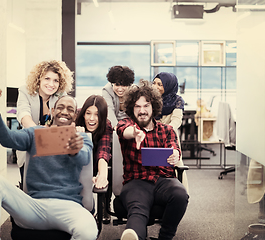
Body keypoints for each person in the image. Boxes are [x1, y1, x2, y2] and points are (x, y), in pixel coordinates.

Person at [0, 77, 97, 240]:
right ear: (52, 111)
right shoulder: (35, 133)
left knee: (89, 230)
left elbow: (84, 157)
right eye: (61, 107)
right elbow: (6, 139)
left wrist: (75, 150)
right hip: (34, 206)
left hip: (68, 207)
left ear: (75, 116)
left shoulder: (81, 138)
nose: (65, 111)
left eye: (70, 109)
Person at [116, 80, 189, 240]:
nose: (142, 111)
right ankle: (133, 236)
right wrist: (134, 133)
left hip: (163, 180)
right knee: (138, 210)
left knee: (180, 194)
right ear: (131, 108)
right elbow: (123, 131)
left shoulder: (167, 130)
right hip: (136, 181)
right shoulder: (127, 125)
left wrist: (175, 154)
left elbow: (173, 146)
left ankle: (165, 237)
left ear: (153, 107)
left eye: (146, 106)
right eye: (137, 106)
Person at [16, 60, 73, 184]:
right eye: (47, 78)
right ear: (39, 79)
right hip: (29, 148)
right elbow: (24, 116)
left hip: (52, 150)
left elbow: (67, 118)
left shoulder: (61, 96)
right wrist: (42, 133)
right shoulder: (25, 91)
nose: (51, 84)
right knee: (29, 189)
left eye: (56, 80)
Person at [75, 95, 113, 223]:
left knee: (108, 167)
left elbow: (103, 151)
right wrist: (77, 135)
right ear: (83, 113)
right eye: (88, 113)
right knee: (86, 206)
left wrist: (102, 175)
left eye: (97, 114)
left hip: (96, 159)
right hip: (77, 161)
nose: (92, 118)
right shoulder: (76, 119)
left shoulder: (106, 125)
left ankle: (105, 203)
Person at [152, 72, 189, 192]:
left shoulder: (177, 100)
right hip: (151, 137)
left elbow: (176, 121)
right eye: (154, 83)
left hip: (169, 136)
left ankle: (182, 194)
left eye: (160, 84)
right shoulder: (149, 99)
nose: (155, 87)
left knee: (176, 165)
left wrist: (163, 131)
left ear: (168, 86)